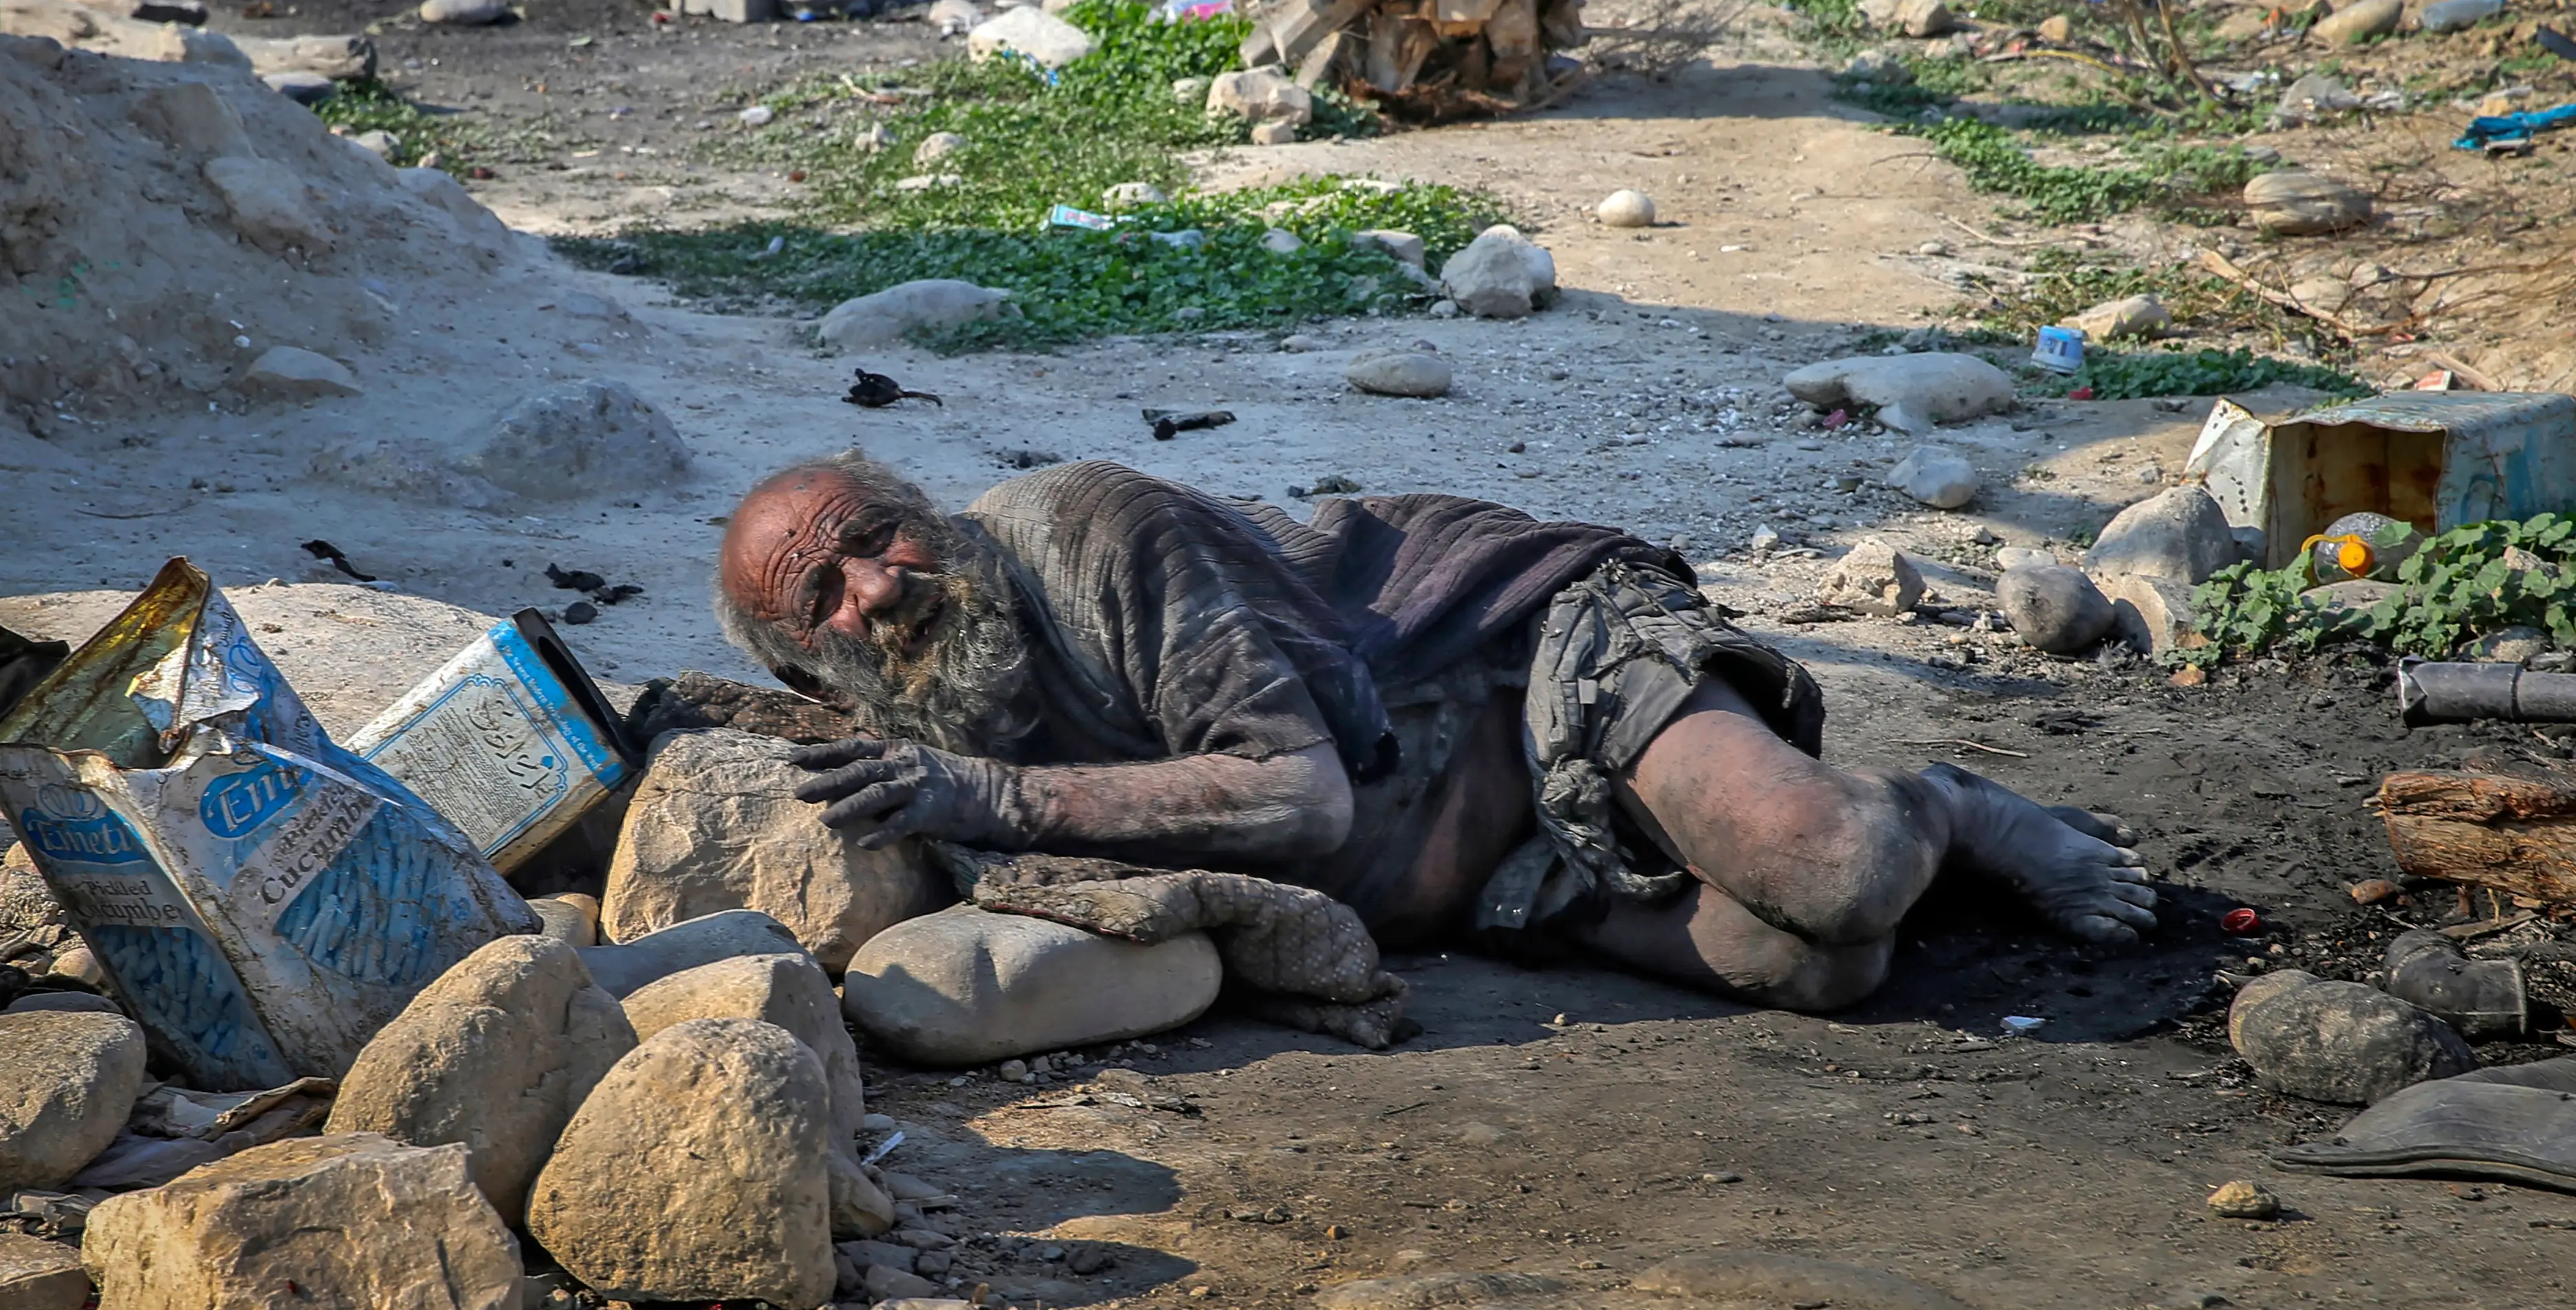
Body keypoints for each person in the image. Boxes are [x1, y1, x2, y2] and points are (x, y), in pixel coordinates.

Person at [703, 455, 2154, 1010]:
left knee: (1832, 865)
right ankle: (1782, 859)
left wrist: (987, 794)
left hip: (1515, 657)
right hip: (1485, 875)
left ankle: (1950, 804)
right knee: (1825, 964)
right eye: (825, 594)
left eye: (879, 538)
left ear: (925, 512)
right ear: (810, 670)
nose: (881, 587)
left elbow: (1299, 797)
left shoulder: (1093, 539)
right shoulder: (893, 722)